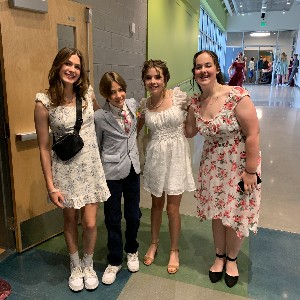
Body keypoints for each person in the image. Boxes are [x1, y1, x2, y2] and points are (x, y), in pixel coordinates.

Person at [34, 47, 110, 292]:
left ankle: (88, 265)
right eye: (68, 64)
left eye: (77, 66)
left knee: (89, 223)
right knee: (70, 219)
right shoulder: (43, 101)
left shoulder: (87, 94)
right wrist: (50, 185)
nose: (72, 70)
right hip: (64, 170)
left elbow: (102, 118)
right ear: (58, 65)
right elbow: (44, 147)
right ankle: (75, 265)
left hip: (90, 168)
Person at [185, 50, 261, 288]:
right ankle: (219, 255)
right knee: (218, 214)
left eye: (208, 65)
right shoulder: (197, 103)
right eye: (198, 67)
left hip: (239, 165)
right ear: (194, 73)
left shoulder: (236, 96)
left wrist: (250, 171)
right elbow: (189, 132)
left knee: (236, 214)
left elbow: (253, 134)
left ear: (217, 68)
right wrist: (185, 107)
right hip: (212, 166)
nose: (203, 70)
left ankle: (232, 259)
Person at [138, 59, 195, 274]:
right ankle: (153, 243)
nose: (153, 81)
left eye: (157, 77)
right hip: (155, 157)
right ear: (144, 80)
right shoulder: (144, 105)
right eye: (149, 77)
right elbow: (135, 130)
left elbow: (190, 127)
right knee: (155, 205)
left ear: (165, 79)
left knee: (173, 208)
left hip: (176, 156)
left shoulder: (178, 97)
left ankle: (174, 249)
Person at [94, 72, 141, 285]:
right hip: (111, 172)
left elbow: (136, 130)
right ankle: (114, 260)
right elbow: (97, 145)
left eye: (120, 89)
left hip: (133, 169)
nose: (118, 95)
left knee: (133, 214)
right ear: (105, 94)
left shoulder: (133, 104)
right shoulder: (100, 117)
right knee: (113, 217)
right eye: (112, 92)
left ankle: (132, 249)